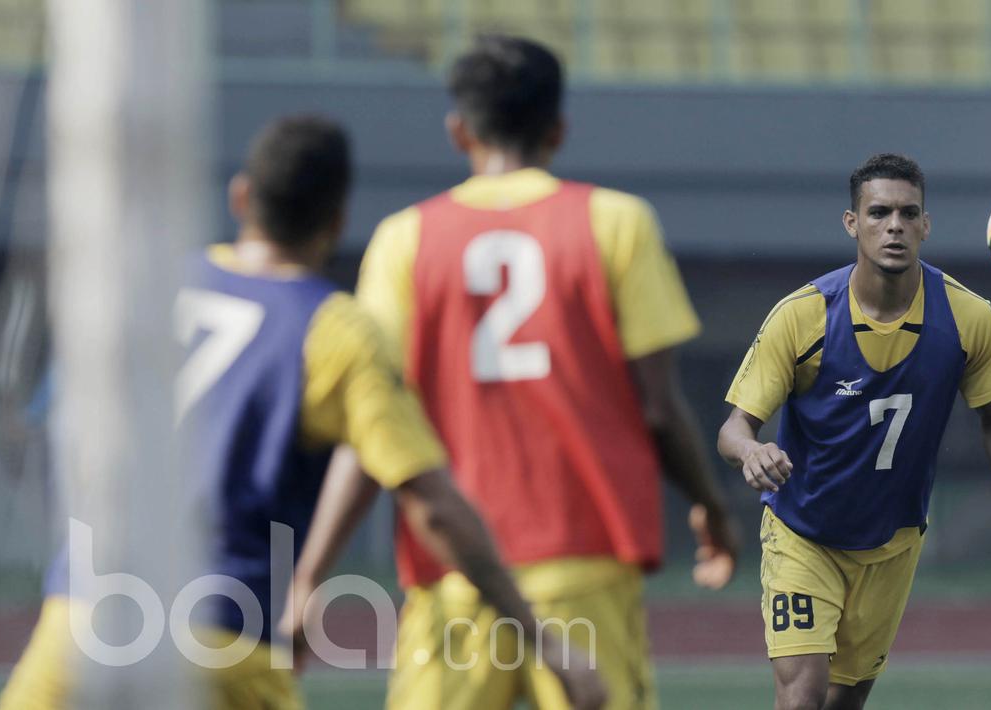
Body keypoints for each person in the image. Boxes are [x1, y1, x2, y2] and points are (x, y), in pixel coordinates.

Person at [0, 116, 603, 710]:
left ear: (241, 197)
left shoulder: (159, 287)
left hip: (81, 621)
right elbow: (435, 507)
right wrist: (542, 639)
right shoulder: (334, 331)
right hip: (220, 639)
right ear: (337, 221)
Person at [287, 35, 739, 710]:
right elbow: (658, 408)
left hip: (455, 575)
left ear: (458, 131)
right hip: (585, 560)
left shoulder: (403, 239)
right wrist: (710, 506)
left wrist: (309, 576)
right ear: (557, 128)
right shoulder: (616, 223)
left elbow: (372, 426)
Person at [717, 153, 991, 710]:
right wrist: (750, 451)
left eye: (907, 213)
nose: (893, 225)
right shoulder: (803, 317)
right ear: (852, 223)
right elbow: (733, 428)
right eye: (878, 213)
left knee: (844, 703)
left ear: (926, 225)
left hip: (893, 543)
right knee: (801, 697)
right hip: (803, 534)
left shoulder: (968, 319)